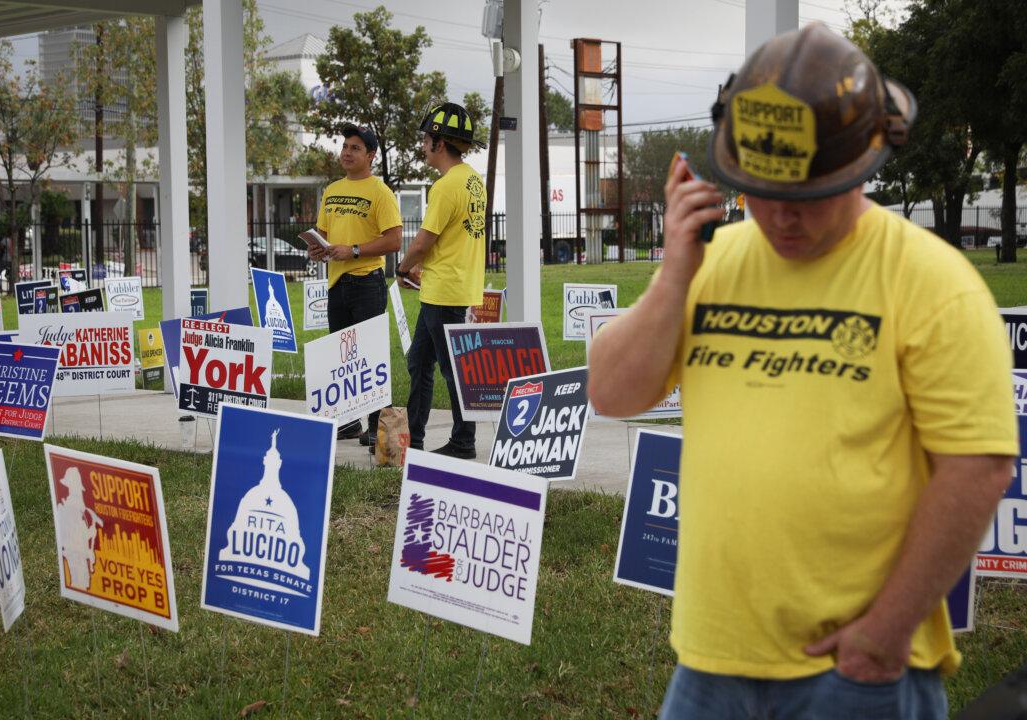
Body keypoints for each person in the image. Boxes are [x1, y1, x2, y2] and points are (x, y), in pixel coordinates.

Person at [588, 24, 1018, 719]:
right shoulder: (711, 263)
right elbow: (613, 392)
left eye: (809, 193)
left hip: (856, 673)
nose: (782, 216)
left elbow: (978, 468)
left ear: (860, 169)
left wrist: (883, 635)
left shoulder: (933, 283)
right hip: (710, 660)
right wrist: (673, 275)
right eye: (759, 191)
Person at [395, 102, 487, 459]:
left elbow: (424, 240)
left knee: (453, 370)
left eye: (425, 139)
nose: (422, 145)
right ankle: (414, 437)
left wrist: (403, 268)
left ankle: (464, 442)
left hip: (445, 289)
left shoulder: (446, 186)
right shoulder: (473, 180)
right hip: (447, 286)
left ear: (439, 142)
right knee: (419, 360)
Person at [309, 124, 402, 449]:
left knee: (371, 359)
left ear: (371, 155)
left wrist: (355, 250)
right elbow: (325, 232)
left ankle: (377, 427)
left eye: (355, 148)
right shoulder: (332, 190)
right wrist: (319, 248)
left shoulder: (381, 192)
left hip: (367, 283)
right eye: (345, 146)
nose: (347, 152)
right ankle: (347, 421)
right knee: (342, 358)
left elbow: (394, 240)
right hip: (336, 284)